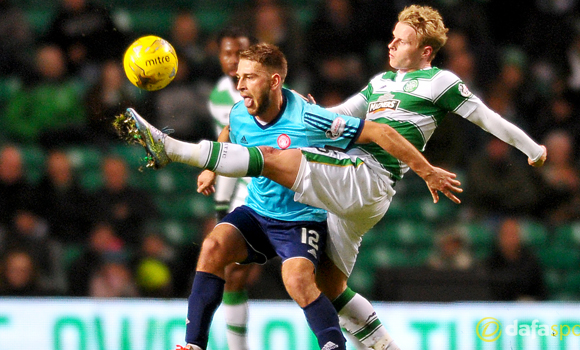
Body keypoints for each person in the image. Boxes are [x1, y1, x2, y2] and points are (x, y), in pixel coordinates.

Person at [119, 5, 547, 348]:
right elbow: (343, 115)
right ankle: (382, 346)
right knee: (331, 286)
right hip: (356, 195)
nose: (391, 43)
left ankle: (171, 148)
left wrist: (531, 149)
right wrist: (313, 111)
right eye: (393, 36)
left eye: (402, 40)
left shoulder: (441, 83)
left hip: (369, 176)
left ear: (426, 51)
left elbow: (489, 119)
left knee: (269, 157)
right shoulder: (382, 82)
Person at [206, 27, 257, 350]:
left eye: (240, 53)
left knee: (309, 277)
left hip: (284, 186)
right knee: (233, 273)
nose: (233, 60)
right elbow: (230, 150)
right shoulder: (220, 96)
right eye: (227, 53)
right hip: (246, 190)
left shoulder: (264, 86)